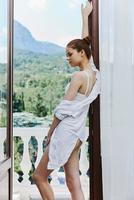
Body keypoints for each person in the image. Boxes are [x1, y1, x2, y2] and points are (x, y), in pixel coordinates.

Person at [32, 1, 100, 200]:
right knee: (73, 182)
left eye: (70, 54)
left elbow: (62, 110)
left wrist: (51, 132)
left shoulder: (78, 77)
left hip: (66, 132)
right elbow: (85, 41)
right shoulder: (94, 72)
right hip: (77, 133)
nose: (67, 58)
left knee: (39, 177)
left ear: (82, 53)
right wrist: (85, 16)